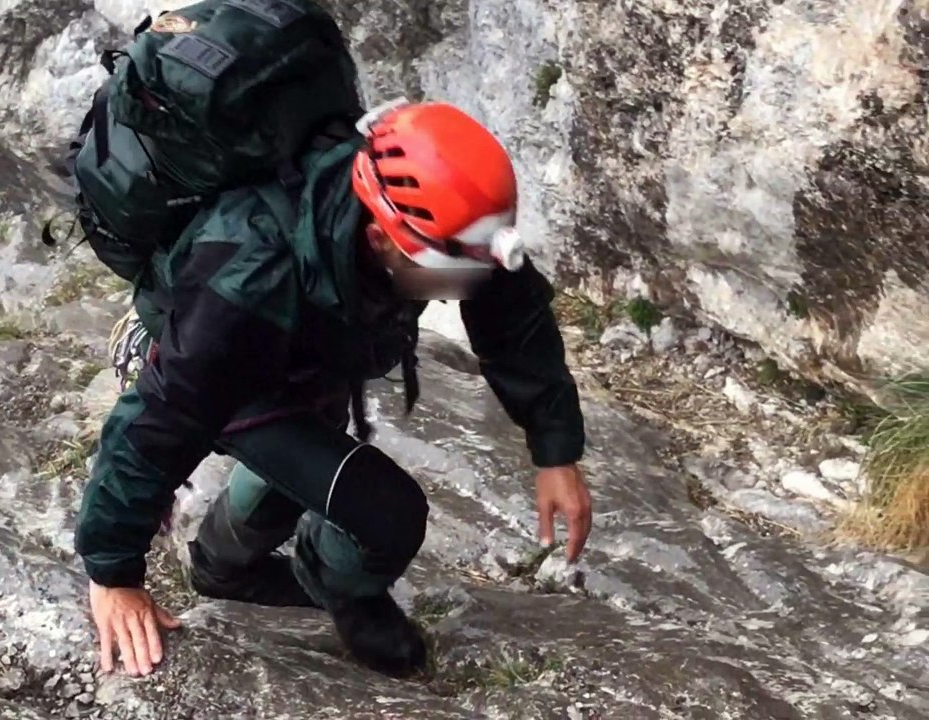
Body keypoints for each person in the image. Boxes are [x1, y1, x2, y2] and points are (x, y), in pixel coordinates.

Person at [75, 98, 593, 680]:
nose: (458, 290)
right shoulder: (248, 276)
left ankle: (222, 568)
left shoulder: (441, 223)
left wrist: (556, 450)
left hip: (306, 350)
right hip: (225, 360)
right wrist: (113, 573)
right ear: (380, 238)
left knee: (312, 451)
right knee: (385, 513)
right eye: (450, 272)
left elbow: (511, 314)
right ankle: (338, 587)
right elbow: (159, 419)